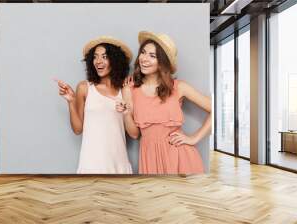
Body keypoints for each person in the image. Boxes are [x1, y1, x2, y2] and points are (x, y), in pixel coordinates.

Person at [117, 31, 211, 174]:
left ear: (162, 62)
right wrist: (126, 114)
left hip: (181, 157)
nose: (144, 59)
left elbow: (214, 108)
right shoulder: (129, 90)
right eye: (143, 52)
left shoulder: (179, 87)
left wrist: (194, 138)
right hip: (150, 158)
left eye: (152, 56)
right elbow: (135, 134)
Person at [56, 36, 133, 174]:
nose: (98, 61)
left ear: (115, 61)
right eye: (95, 57)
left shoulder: (124, 90)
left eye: (104, 57)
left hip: (118, 164)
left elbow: (133, 132)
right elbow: (78, 129)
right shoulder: (85, 88)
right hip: (91, 164)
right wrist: (71, 101)